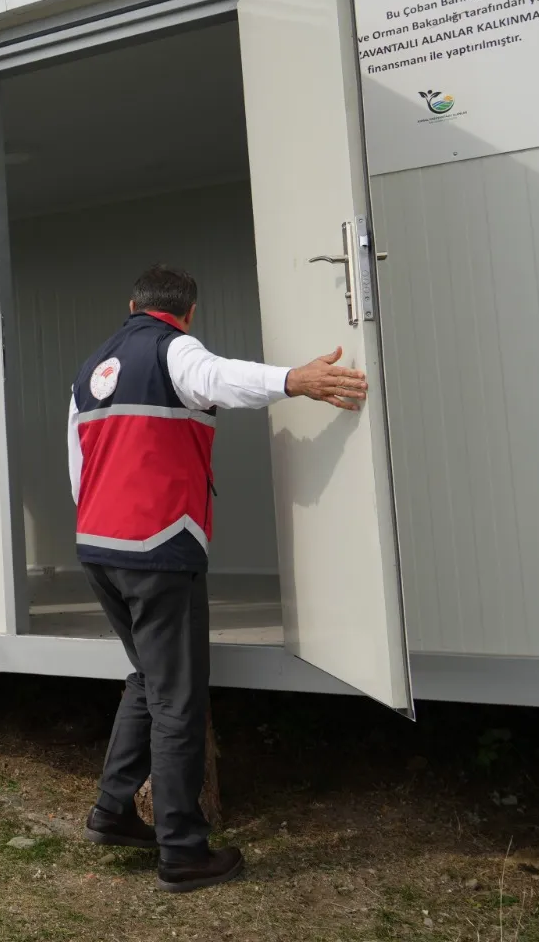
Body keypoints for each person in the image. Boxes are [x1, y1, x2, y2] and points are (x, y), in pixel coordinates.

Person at [69, 266, 367, 893]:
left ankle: (113, 811)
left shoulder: (91, 368)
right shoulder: (173, 348)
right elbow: (218, 379)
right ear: (189, 312)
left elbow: (79, 463)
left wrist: (102, 529)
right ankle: (181, 850)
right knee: (178, 697)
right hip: (156, 546)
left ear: (132, 304)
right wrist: (296, 381)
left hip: (99, 548)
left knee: (148, 679)